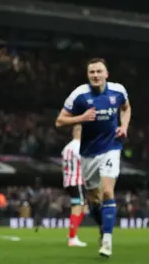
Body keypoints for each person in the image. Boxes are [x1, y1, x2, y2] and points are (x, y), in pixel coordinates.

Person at [55, 58, 131, 258]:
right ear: (88, 75)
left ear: (107, 73)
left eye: (99, 71)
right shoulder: (79, 95)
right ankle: (102, 228)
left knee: (107, 192)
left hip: (111, 148)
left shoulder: (118, 91)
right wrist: (81, 118)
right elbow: (60, 121)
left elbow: (126, 108)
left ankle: (107, 240)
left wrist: (124, 127)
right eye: (92, 72)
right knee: (94, 199)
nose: (95, 75)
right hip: (88, 153)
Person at [62, 124, 87, 247]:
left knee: (84, 206)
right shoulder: (79, 146)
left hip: (68, 181)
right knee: (78, 206)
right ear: (78, 132)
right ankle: (72, 238)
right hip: (77, 181)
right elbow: (85, 162)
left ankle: (72, 232)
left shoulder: (67, 147)